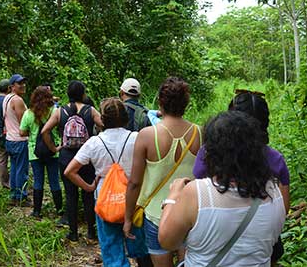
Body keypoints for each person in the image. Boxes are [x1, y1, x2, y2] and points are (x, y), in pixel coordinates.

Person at [158, 111, 286, 267]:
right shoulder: (273, 190)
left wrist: (172, 197)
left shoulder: (198, 193)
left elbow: (167, 242)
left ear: (211, 151)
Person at [192, 89, 290, 265]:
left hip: (214, 235)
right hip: (261, 242)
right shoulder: (275, 159)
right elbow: (283, 207)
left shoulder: (208, 154)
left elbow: (197, 196)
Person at [64, 97, 152, 267]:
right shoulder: (137, 138)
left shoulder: (94, 143)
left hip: (106, 201)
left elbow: (69, 171)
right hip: (135, 200)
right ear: (126, 118)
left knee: (112, 251)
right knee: (142, 249)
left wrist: (89, 187)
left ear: (103, 120)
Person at [123, 77, 202, 267]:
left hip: (156, 215)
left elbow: (134, 182)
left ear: (160, 102)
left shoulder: (147, 135)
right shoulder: (200, 133)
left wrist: (127, 219)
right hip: (190, 213)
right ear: (186, 104)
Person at [41, 80, 103, 241]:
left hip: (67, 157)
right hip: (86, 158)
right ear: (83, 94)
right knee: (88, 193)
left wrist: (55, 148)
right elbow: (104, 125)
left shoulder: (59, 111)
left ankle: (73, 233)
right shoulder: (91, 111)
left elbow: (45, 131)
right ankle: (91, 231)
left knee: (70, 194)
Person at [19, 86, 62, 218]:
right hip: (53, 151)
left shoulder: (28, 113)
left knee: (38, 181)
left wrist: (32, 133)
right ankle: (59, 211)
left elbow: (22, 132)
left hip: (34, 151)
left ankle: (37, 211)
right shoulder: (55, 111)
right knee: (54, 181)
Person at [3, 74, 30, 206]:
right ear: (12, 86)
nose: (23, 85)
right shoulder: (17, 100)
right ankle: (21, 196)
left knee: (14, 168)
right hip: (19, 140)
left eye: (24, 83)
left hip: (10, 139)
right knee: (21, 169)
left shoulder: (7, 98)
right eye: (19, 83)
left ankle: (14, 194)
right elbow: (22, 124)